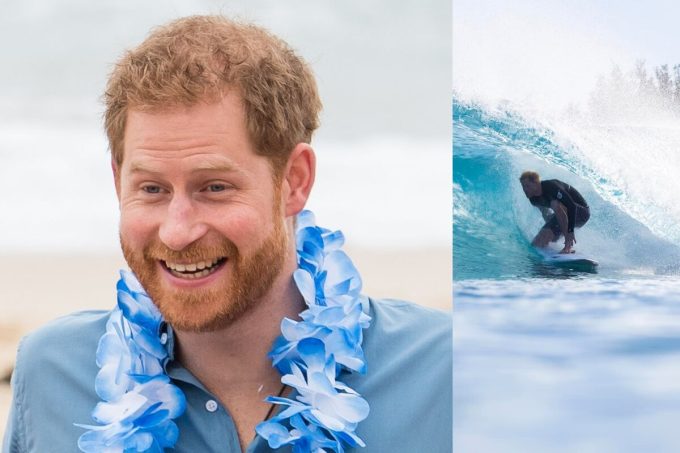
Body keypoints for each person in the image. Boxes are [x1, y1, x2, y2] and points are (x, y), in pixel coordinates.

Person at [2, 15, 452, 453]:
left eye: (215, 187)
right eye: (152, 188)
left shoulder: (447, 372)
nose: (177, 232)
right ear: (118, 180)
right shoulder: (52, 376)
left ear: (294, 180)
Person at [519, 171, 590, 254]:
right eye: (523, 186)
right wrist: (551, 231)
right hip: (564, 214)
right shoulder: (533, 199)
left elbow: (571, 206)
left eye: (527, 186)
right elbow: (546, 214)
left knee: (555, 204)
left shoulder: (551, 186)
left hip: (581, 212)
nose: (525, 190)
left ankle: (568, 246)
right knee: (537, 243)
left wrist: (570, 231)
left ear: (536, 183)